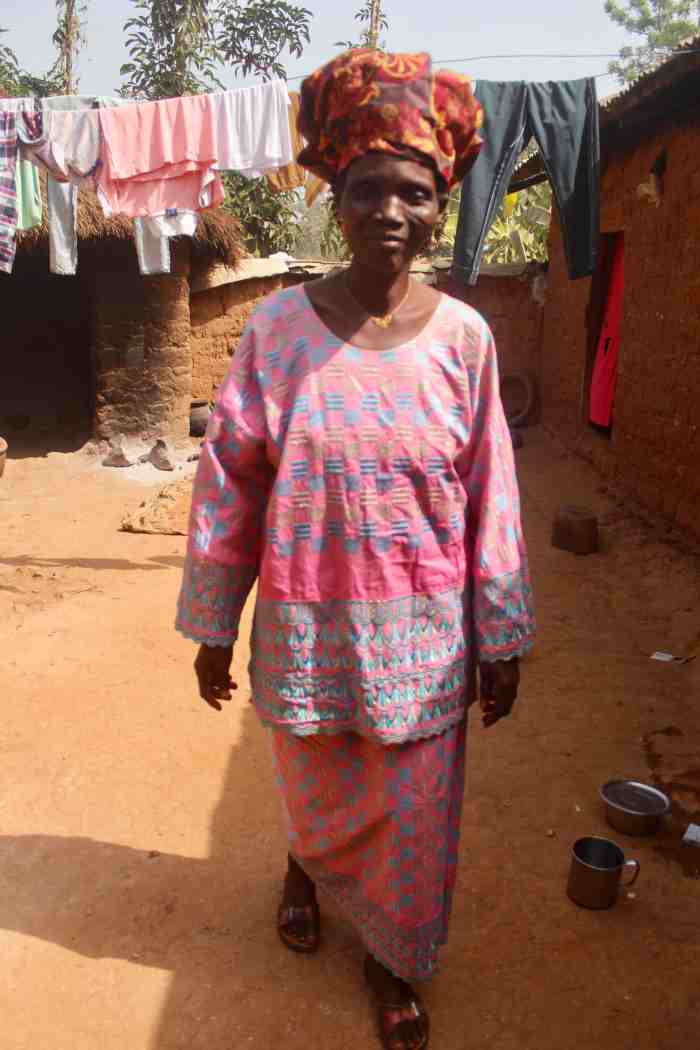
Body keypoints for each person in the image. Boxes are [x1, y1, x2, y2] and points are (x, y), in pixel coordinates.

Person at [176, 49, 535, 1050]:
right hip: (307, 626)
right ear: (335, 200)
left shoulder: (464, 339)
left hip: (423, 642)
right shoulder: (277, 334)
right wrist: (215, 621)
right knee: (317, 786)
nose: (390, 210)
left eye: (413, 193)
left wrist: (500, 634)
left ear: (439, 207)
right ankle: (305, 870)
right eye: (367, 188)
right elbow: (231, 481)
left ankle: (394, 958)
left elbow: (491, 490)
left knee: (416, 816)